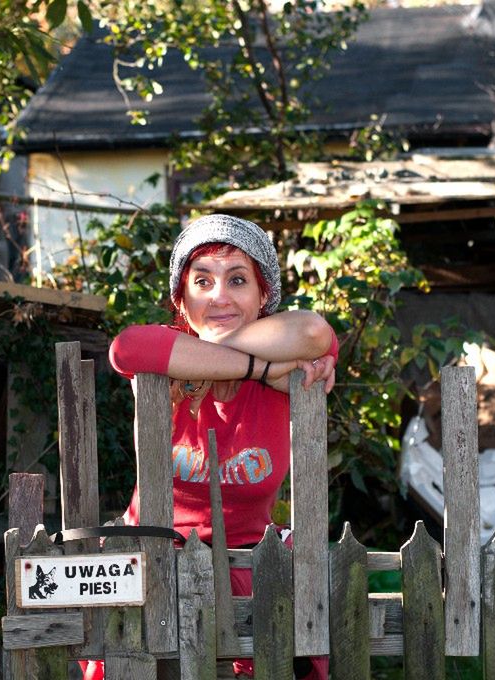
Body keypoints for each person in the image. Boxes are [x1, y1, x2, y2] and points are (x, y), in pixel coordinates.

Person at [87, 214, 336, 680]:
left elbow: (314, 333)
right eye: (202, 281)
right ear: (181, 300)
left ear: (265, 297)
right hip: (151, 566)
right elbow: (125, 347)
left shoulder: (293, 357)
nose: (219, 296)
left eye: (238, 280)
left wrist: (222, 354)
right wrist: (258, 370)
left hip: (247, 569)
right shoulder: (167, 364)